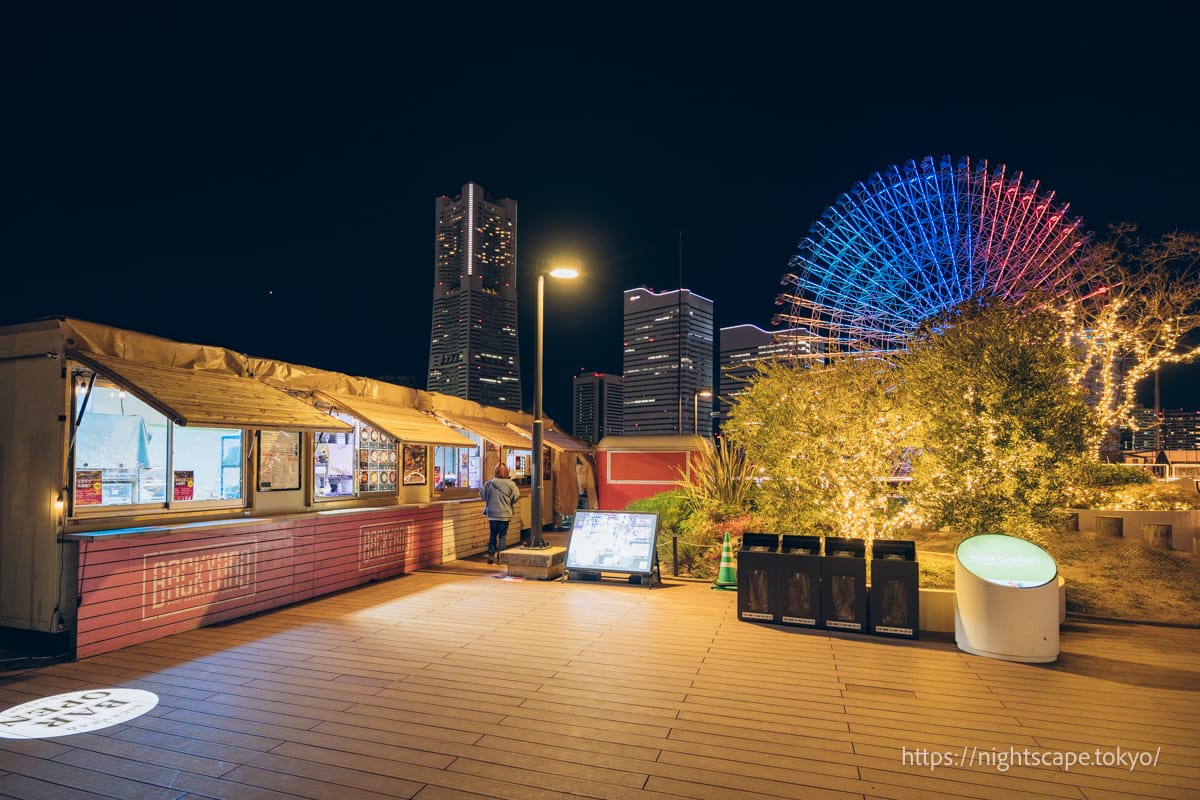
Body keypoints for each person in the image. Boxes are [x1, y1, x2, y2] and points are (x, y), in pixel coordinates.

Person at [480, 463, 519, 564]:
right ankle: (501, 556)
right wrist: (508, 502)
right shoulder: (511, 484)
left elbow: (482, 495)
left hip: (492, 514)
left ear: (495, 472)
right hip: (505, 514)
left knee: (492, 534)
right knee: (502, 535)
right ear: (506, 472)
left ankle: (490, 555)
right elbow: (516, 497)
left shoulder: (489, 484)